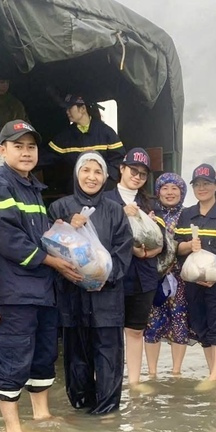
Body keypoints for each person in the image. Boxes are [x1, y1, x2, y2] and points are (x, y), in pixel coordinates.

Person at [0, 120, 81, 432]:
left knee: (43, 353)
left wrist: (64, 229)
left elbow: (40, 235)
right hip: (16, 289)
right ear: (1, 150)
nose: (26, 152)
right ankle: (12, 430)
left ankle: (41, 415)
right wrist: (53, 261)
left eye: (31, 147)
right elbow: (9, 240)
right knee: (15, 354)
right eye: (18, 146)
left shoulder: (31, 186)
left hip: (42, 288)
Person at [49, 152, 133, 414]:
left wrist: (103, 278)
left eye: (98, 172)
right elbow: (50, 247)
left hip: (107, 298)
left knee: (109, 356)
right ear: (77, 174)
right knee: (76, 357)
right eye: (86, 171)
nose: (91, 177)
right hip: (72, 296)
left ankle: (108, 412)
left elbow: (123, 250)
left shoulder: (115, 211)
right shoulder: (59, 208)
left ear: (106, 177)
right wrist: (68, 230)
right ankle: (80, 408)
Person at [103, 148, 165, 393]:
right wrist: (121, 213)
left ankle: (135, 383)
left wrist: (149, 250)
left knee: (136, 330)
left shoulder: (151, 204)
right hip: (114, 277)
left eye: (142, 174)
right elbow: (98, 235)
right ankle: (111, 383)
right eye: (133, 171)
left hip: (144, 277)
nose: (137, 177)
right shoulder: (106, 200)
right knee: (111, 332)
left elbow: (161, 240)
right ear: (121, 169)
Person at [175, 164, 216, 389]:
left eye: (207, 183)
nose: (202, 188)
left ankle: (213, 378)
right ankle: (213, 373)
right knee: (202, 328)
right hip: (193, 282)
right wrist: (188, 246)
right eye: (198, 184)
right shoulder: (186, 215)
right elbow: (176, 248)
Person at [144, 173, 191, 377]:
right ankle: (152, 373)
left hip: (181, 278)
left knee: (180, 323)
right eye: (165, 188)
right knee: (152, 323)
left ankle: (176, 372)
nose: (170, 192)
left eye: (175, 188)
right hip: (156, 277)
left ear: (182, 192)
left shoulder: (190, 215)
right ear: (158, 192)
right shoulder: (150, 214)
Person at [47, 94, 125, 189]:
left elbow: (118, 160)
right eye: (66, 109)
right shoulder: (65, 137)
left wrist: (105, 176)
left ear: (83, 108)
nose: (67, 112)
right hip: (76, 188)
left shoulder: (106, 133)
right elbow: (47, 157)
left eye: (70, 108)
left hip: (104, 188)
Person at [0, 78, 30, 151]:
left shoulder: (15, 105)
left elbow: (25, 128)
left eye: (7, 82)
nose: (5, 86)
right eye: (1, 82)